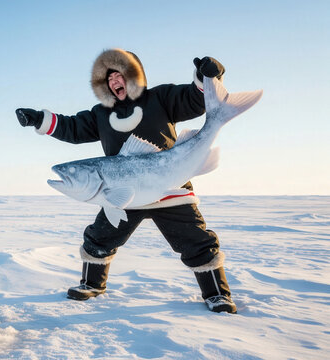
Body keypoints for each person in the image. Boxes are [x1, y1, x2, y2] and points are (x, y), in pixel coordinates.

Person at [16, 49, 237, 313]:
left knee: (196, 241)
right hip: (120, 194)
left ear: (133, 76)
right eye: (108, 79)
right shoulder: (101, 113)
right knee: (99, 238)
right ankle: (92, 284)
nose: (113, 82)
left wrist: (205, 78)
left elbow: (193, 100)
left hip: (168, 189)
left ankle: (217, 294)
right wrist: (39, 119)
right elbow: (72, 127)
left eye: (118, 75)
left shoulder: (160, 98)